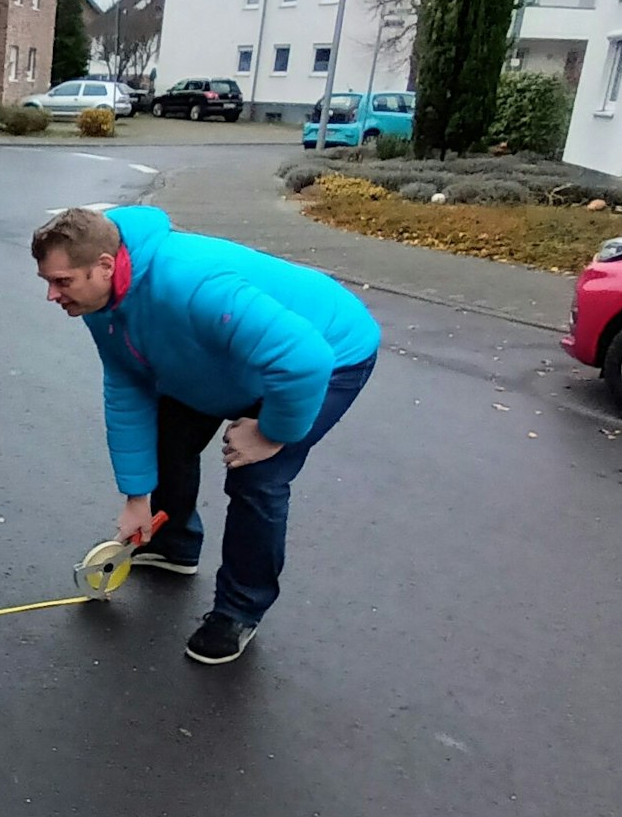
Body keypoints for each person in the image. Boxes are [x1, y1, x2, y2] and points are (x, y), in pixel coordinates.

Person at [31, 205, 381, 664]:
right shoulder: (99, 303)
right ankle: (172, 540)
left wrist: (271, 433)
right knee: (168, 432)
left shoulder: (189, 282)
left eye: (61, 282)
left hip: (328, 352)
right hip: (234, 361)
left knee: (257, 478)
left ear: (103, 266)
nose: (51, 295)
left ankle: (239, 611)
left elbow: (305, 360)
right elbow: (128, 387)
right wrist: (139, 498)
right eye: (47, 282)